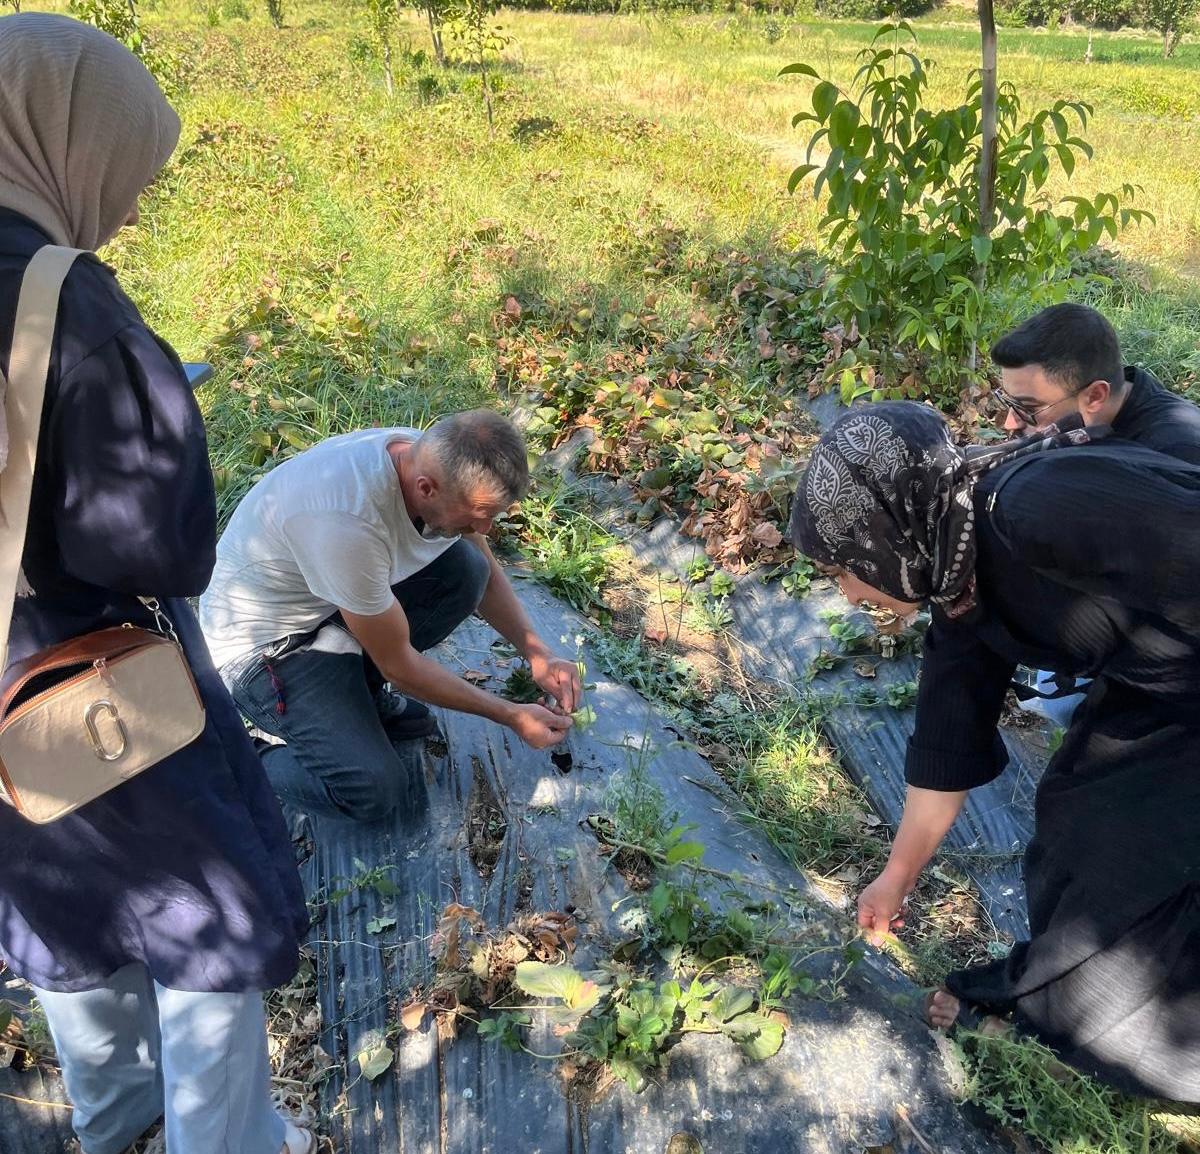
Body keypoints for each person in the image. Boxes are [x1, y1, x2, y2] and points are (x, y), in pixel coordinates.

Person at [0, 14, 312, 1154]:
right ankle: (221, 1140)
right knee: (206, 911)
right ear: (65, 140)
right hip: (85, 663)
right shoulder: (65, 302)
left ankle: (117, 1119)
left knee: (60, 893)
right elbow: (152, 547)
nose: (128, 207)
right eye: (129, 172)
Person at [788, 401, 1200, 1103]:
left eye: (841, 571)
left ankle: (1119, 1028)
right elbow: (946, 741)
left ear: (883, 535)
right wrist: (895, 879)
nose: (849, 594)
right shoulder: (960, 584)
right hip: (1159, 693)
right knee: (1079, 820)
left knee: (1124, 859)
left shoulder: (1032, 508)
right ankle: (1061, 1007)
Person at [200, 411, 582, 823]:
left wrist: (537, 652)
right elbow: (399, 666)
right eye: (478, 514)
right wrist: (510, 714)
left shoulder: (436, 458)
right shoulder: (346, 523)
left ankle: (358, 693)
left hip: (329, 603)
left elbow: (486, 576)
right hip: (264, 649)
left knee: (467, 569)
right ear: (426, 488)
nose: (485, 527)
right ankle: (237, 757)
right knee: (372, 790)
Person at [992, 301, 1200, 462]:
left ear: (1095, 396)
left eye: (1029, 409)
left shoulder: (1176, 453)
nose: (1010, 423)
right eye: (1009, 403)